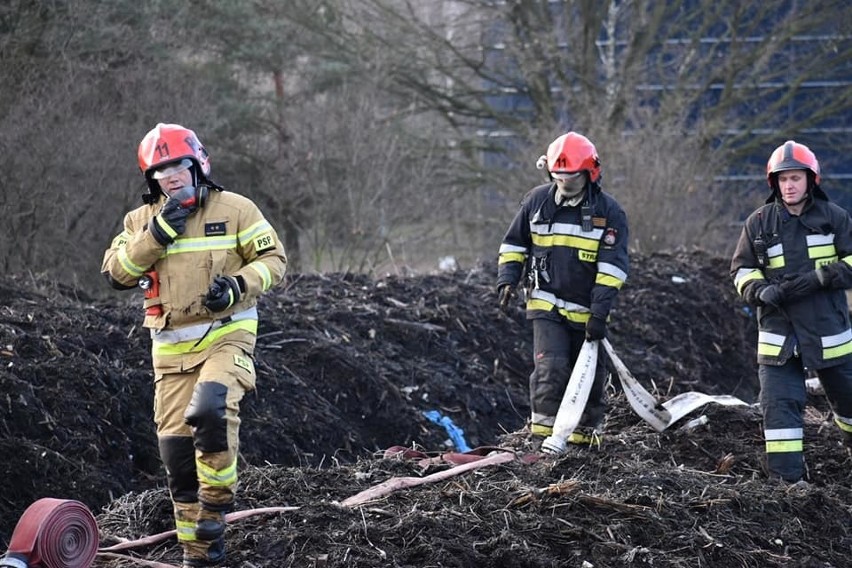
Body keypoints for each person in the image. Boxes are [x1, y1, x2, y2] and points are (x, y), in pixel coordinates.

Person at [101, 123, 287, 567]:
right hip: (170, 354)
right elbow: (115, 273)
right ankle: (199, 554)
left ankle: (218, 500)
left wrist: (238, 286)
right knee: (178, 462)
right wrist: (157, 234)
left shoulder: (237, 209)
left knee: (211, 407)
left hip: (226, 335)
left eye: (178, 165)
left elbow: (274, 260)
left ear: (197, 164)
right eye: (160, 171)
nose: (171, 176)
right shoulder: (139, 222)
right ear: (152, 179)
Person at [497, 132, 629, 447]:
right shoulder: (536, 202)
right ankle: (542, 439)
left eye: (571, 176)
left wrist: (599, 312)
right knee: (549, 368)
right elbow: (514, 244)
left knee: (588, 377)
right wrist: (508, 278)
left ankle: (582, 438)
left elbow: (612, 268)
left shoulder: (609, 213)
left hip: (587, 309)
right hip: (546, 302)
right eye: (559, 176)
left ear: (589, 173)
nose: (565, 182)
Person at [731, 140, 852, 483]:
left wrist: (823, 276)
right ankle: (788, 487)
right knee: (780, 412)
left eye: (795, 178)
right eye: (783, 179)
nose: (789, 185)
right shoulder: (758, 223)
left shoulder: (835, 219)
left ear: (811, 180)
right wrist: (758, 290)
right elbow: (741, 269)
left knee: (849, 406)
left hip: (829, 333)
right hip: (778, 335)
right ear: (774, 183)